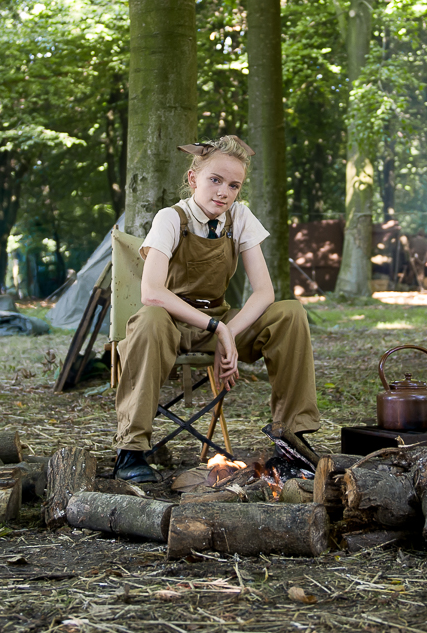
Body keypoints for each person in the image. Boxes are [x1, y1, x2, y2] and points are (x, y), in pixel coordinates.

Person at [114, 136, 321, 483]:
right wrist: (219, 330)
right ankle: (131, 450)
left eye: (233, 185)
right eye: (215, 180)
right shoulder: (171, 219)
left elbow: (264, 292)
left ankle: (292, 441)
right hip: (170, 324)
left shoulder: (239, 218)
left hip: (219, 324)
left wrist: (229, 334)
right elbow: (151, 293)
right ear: (193, 178)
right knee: (149, 320)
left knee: (290, 312)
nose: (223, 192)